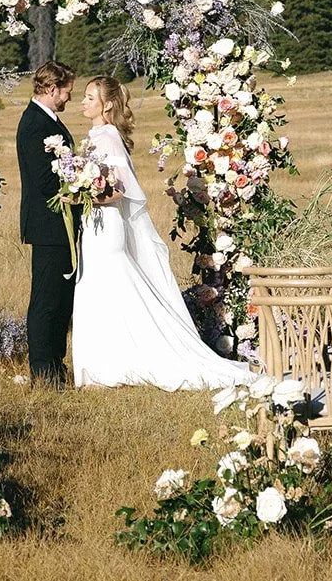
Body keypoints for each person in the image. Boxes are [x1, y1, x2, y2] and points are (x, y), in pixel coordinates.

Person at [72, 74, 251, 391]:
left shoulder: (107, 138)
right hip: (95, 224)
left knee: (111, 288)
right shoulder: (97, 135)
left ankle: (118, 363)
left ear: (107, 103)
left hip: (107, 223)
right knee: (100, 289)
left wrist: (82, 194)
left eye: (89, 97)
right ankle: (105, 364)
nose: (83, 102)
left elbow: (118, 191)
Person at [16, 59, 78, 387]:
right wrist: (77, 185)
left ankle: (56, 365)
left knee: (60, 300)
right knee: (45, 300)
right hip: (48, 224)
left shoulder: (45, 120)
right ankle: (43, 370)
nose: (69, 98)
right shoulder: (35, 124)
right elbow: (44, 178)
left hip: (58, 225)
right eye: (67, 91)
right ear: (52, 89)